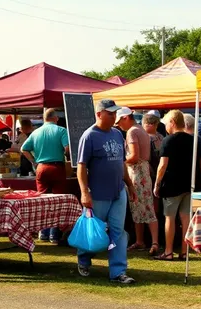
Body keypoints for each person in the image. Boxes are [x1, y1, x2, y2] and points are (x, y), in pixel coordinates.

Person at [76, 99, 137, 284]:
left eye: (115, 113)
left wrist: (129, 184)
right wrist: (85, 192)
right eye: (110, 113)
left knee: (118, 231)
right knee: (94, 231)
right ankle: (84, 260)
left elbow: (121, 163)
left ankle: (118, 272)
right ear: (99, 114)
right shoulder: (89, 136)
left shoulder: (118, 134)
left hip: (118, 191)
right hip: (98, 194)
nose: (114, 116)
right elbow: (81, 167)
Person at [153, 110, 201, 261]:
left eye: (166, 123)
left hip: (172, 185)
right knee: (186, 218)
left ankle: (168, 251)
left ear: (172, 123)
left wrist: (157, 184)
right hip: (189, 184)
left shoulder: (168, 140)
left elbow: (162, 165)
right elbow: (200, 162)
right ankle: (184, 251)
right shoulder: (193, 140)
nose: (165, 126)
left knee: (170, 218)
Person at [21, 108, 69, 243]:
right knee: (57, 201)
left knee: (43, 201)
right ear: (56, 118)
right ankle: (54, 234)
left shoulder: (35, 132)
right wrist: (67, 156)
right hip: (56, 167)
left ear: (44, 118)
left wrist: (34, 162)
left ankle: (43, 232)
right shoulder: (61, 130)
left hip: (41, 168)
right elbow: (67, 149)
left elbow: (23, 149)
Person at [115, 107, 159, 255]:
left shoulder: (132, 131)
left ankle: (154, 242)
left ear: (126, 117)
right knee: (140, 208)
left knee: (145, 207)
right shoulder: (141, 129)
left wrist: (119, 161)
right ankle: (141, 241)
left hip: (137, 172)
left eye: (119, 121)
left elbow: (134, 156)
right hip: (143, 171)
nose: (119, 125)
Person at [184, 114, 201, 181]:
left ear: (185, 125)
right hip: (196, 174)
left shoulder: (193, 138)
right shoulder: (199, 139)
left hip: (192, 174)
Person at [143, 113, 164, 181]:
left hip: (159, 167)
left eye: (153, 123)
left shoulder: (160, 137)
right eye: (147, 123)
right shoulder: (145, 137)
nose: (151, 125)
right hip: (151, 168)